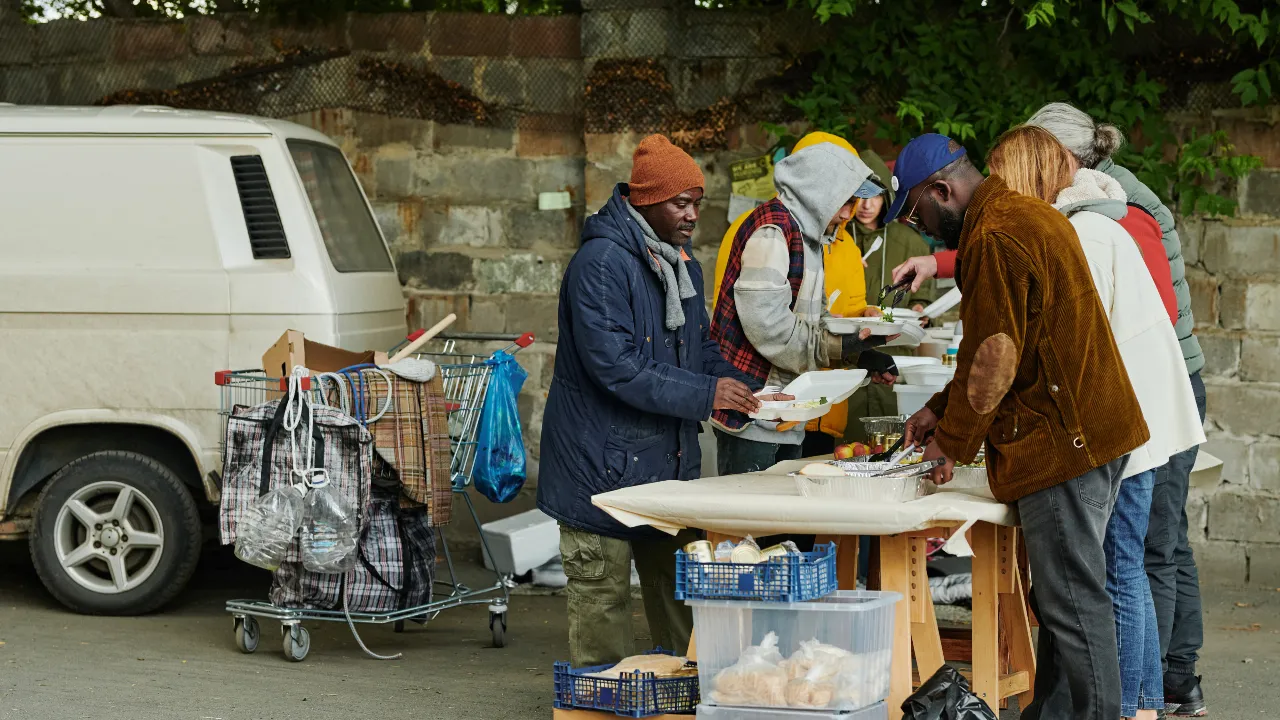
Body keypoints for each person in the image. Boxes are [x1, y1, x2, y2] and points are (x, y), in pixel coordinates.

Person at [892, 133, 1149, 720]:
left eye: (917, 212)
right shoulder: (1019, 214)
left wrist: (951, 443)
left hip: (1064, 444)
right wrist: (939, 406)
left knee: (1074, 602)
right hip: (1089, 432)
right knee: (1064, 599)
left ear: (942, 190)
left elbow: (996, 358)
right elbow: (996, 341)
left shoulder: (997, 235)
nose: (921, 228)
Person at [988, 125, 1205, 720]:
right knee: (1128, 563)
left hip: (1123, 421)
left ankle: (1133, 703)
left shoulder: (1083, 231)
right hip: (1137, 416)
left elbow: (1071, 341)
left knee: (1120, 567)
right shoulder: (1101, 219)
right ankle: (1138, 701)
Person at [537, 134, 779, 668]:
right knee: (603, 605)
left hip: (663, 467)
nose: (692, 214)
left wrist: (747, 391)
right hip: (597, 468)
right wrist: (706, 393)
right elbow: (617, 368)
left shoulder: (681, 264)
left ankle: (685, 699)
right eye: (681, 203)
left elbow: (702, 349)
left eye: (697, 202)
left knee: (682, 594)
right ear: (644, 199)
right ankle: (598, 707)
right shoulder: (600, 263)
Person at [710, 142, 898, 476]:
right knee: (752, 525)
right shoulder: (772, 231)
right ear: (816, 192)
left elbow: (816, 317)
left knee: (784, 525)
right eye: (843, 201)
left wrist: (858, 353)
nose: (846, 213)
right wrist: (835, 347)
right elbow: (769, 325)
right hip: (753, 412)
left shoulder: (810, 236)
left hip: (786, 411)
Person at [845, 148, 938, 441]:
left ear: (886, 197)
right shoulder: (838, 238)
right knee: (847, 440)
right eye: (859, 195)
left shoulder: (909, 241)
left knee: (893, 439)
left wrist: (921, 309)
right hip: (847, 354)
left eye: (875, 195)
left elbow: (926, 298)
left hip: (896, 356)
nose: (866, 205)